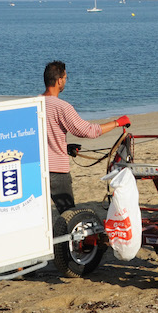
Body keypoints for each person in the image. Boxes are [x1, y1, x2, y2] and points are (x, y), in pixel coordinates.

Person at [42, 60, 130, 213]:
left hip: (37, 168)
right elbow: (88, 131)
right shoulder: (62, 107)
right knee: (68, 214)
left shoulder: (34, 103)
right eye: (65, 78)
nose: (65, 82)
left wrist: (64, 146)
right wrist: (117, 123)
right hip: (57, 171)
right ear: (59, 80)